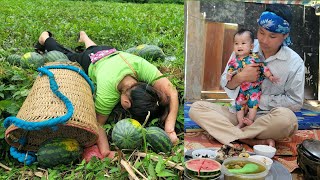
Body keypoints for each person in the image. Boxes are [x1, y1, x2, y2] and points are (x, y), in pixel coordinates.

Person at [36, 31, 179, 158]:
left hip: (108, 51)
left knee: (94, 48)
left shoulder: (140, 66)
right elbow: (98, 124)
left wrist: (170, 129)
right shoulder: (107, 93)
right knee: (67, 56)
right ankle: (45, 38)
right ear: (126, 103)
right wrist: (105, 151)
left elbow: (172, 91)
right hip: (90, 60)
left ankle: (84, 37)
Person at [189, 4, 305, 147]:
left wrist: (257, 100)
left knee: (288, 121)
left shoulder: (295, 63)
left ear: (285, 35)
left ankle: (233, 135)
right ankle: (248, 139)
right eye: (261, 32)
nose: (264, 40)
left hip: (266, 119)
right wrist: (241, 77)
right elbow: (225, 82)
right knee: (196, 108)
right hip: (237, 114)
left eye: (272, 36)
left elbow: (295, 101)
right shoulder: (244, 46)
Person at [226, 29, 279, 128]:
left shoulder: (254, 58)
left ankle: (250, 120)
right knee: (238, 104)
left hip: (254, 89)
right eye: (236, 43)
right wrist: (230, 75)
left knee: (253, 103)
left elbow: (263, 67)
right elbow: (231, 70)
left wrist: (270, 76)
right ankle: (241, 122)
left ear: (251, 46)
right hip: (242, 90)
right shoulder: (234, 60)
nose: (239, 46)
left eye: (243, 43)